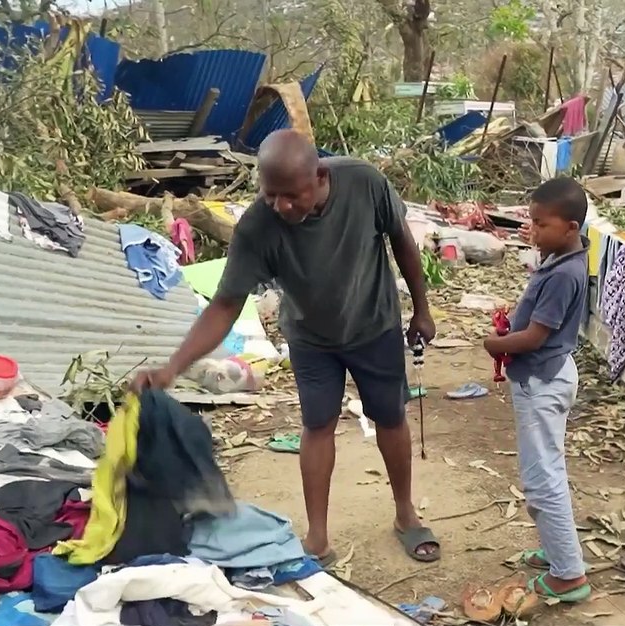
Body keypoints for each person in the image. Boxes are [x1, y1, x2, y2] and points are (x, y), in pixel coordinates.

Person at [131, 129, 440, 565]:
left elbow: (403, 242)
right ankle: (317, 537)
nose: (281, 206)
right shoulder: (259, 226)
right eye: (270, 194)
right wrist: (173, 367)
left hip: (375, 324)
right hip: (312, 339)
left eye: (291, 195)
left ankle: (406, 514)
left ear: (319, 176)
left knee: (389, 417)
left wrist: (422, 309)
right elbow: (223, 305)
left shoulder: (364, 183)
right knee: (317, 426)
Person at [482, 177, 591, 602]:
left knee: (542, 477)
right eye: (531, 222)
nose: (533, 231)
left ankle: (569, 575)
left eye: (541, 224)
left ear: (571, 227)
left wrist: (495, 344)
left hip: (543, 381)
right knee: (544, 470)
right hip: (544, 377)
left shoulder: (564, 273)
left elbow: (534, 338)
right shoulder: (560, 260)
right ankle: (556, 550)